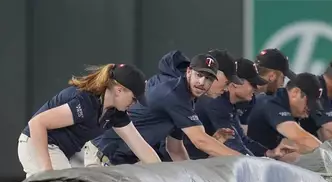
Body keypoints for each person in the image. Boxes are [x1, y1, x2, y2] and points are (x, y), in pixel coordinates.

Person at [85, 53, 242, 166]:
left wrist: (191, 180)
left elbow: (175, 149)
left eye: (208, 78)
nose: (202, 82)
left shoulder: (187, 99)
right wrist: (245, 161)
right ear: (188, 72)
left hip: (123, 161)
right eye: (199, 75)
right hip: (103, 155)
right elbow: (200, 140)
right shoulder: (174, 95)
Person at [17, 63, 160, 177]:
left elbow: (140, 146)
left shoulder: (115, 113)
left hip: (59, 150)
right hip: (38, 143)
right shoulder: (85, 102)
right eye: (134, 98)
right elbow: (37, 123)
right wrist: (47, 171)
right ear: (119, 90)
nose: (134, 104)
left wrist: (162, 173)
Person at [183, 58, 297, 159]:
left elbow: (242, 141)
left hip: (200, 164)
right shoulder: (215, 102)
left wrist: (269, 153)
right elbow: (233, 146)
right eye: (253, 84)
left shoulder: (230, 103)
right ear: (236, 83)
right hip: (190, 166)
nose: (256, 89)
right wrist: (258, 164)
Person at [245, 73, 324, 154]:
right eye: (308, 104)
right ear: (295, 92)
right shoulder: (272, 104)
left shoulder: (290, 108)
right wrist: (329, 154)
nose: (308, 113)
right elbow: (302, 138)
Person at [238, 48, 296, 134]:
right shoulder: (245, 95)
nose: (282, 84)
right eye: (282, 78)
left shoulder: (250, 93)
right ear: (272, 76)